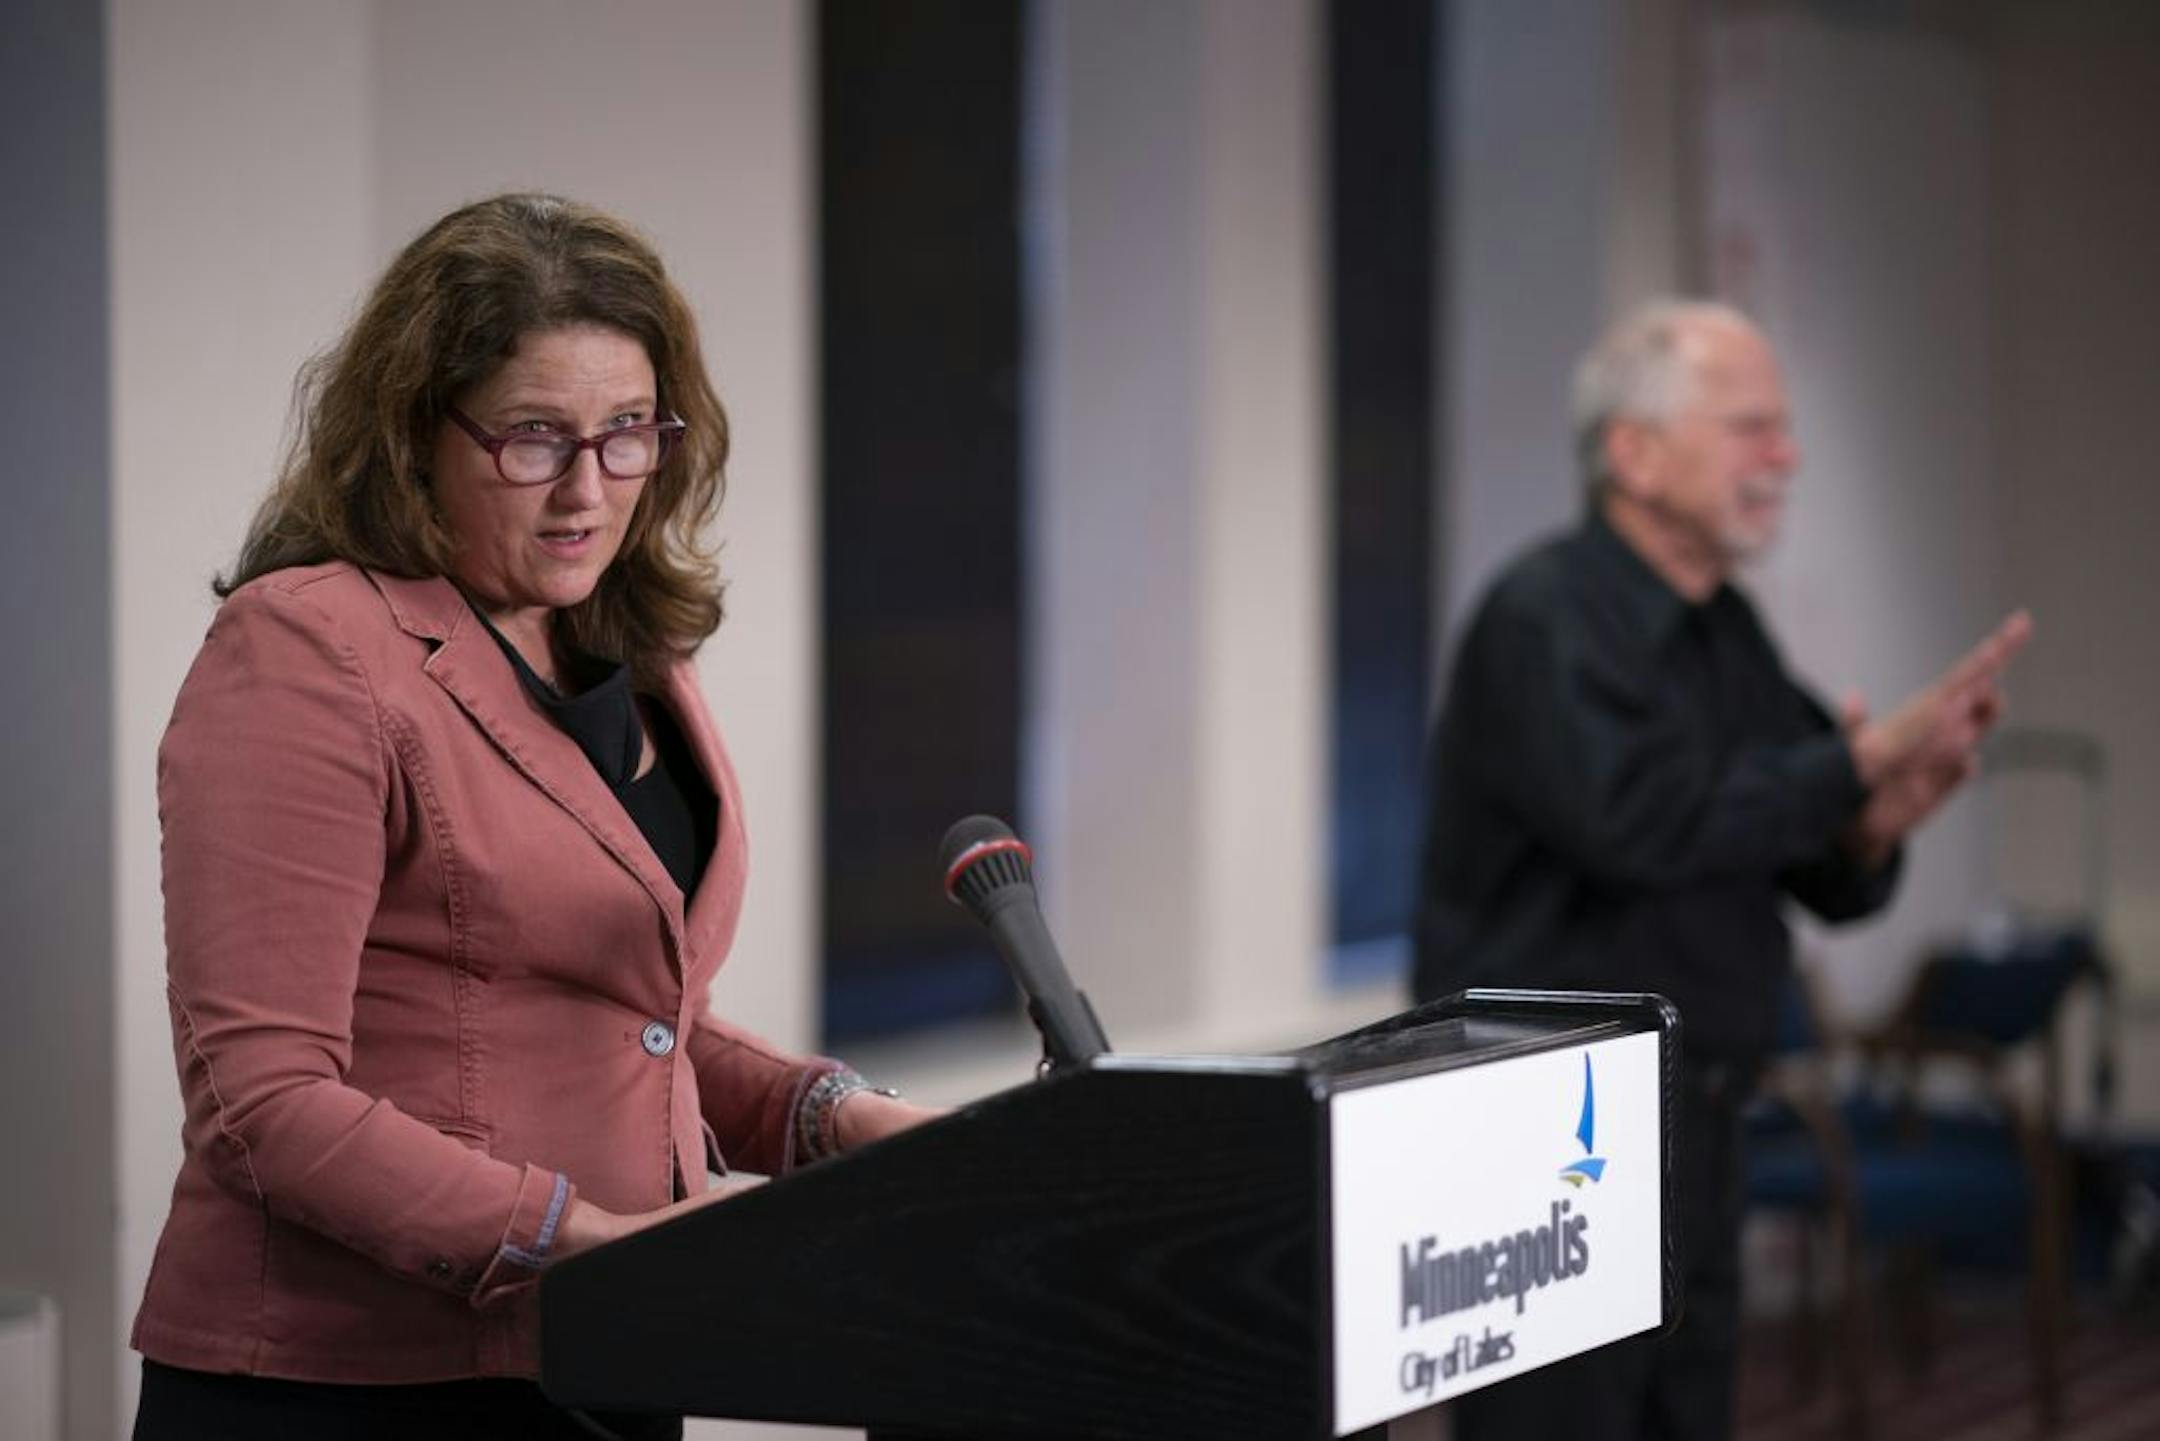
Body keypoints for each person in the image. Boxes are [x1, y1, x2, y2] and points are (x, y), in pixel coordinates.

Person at [129, 193, 941, 1441]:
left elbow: (632, 1022)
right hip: (351, 1385)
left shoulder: (628, 645)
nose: (588, 491)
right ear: (414, 436)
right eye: (533, 439)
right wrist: (575, 1239)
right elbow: (262, 1100)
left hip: (606, 1354)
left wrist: (830, 1118)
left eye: (628, 435)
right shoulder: (306, 649)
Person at [1413, 299, 2029, 1441]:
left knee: (1685, 1416)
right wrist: (1851, 764)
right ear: (1634, 455)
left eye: (1782, 430)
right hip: (1542, 1136)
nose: (1784, 457)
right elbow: (1639, 825)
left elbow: (1815, 866)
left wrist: (1875, 816)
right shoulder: (1540, 617)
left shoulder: (1728, 631)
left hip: (1699, 1112)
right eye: (1751, 427)